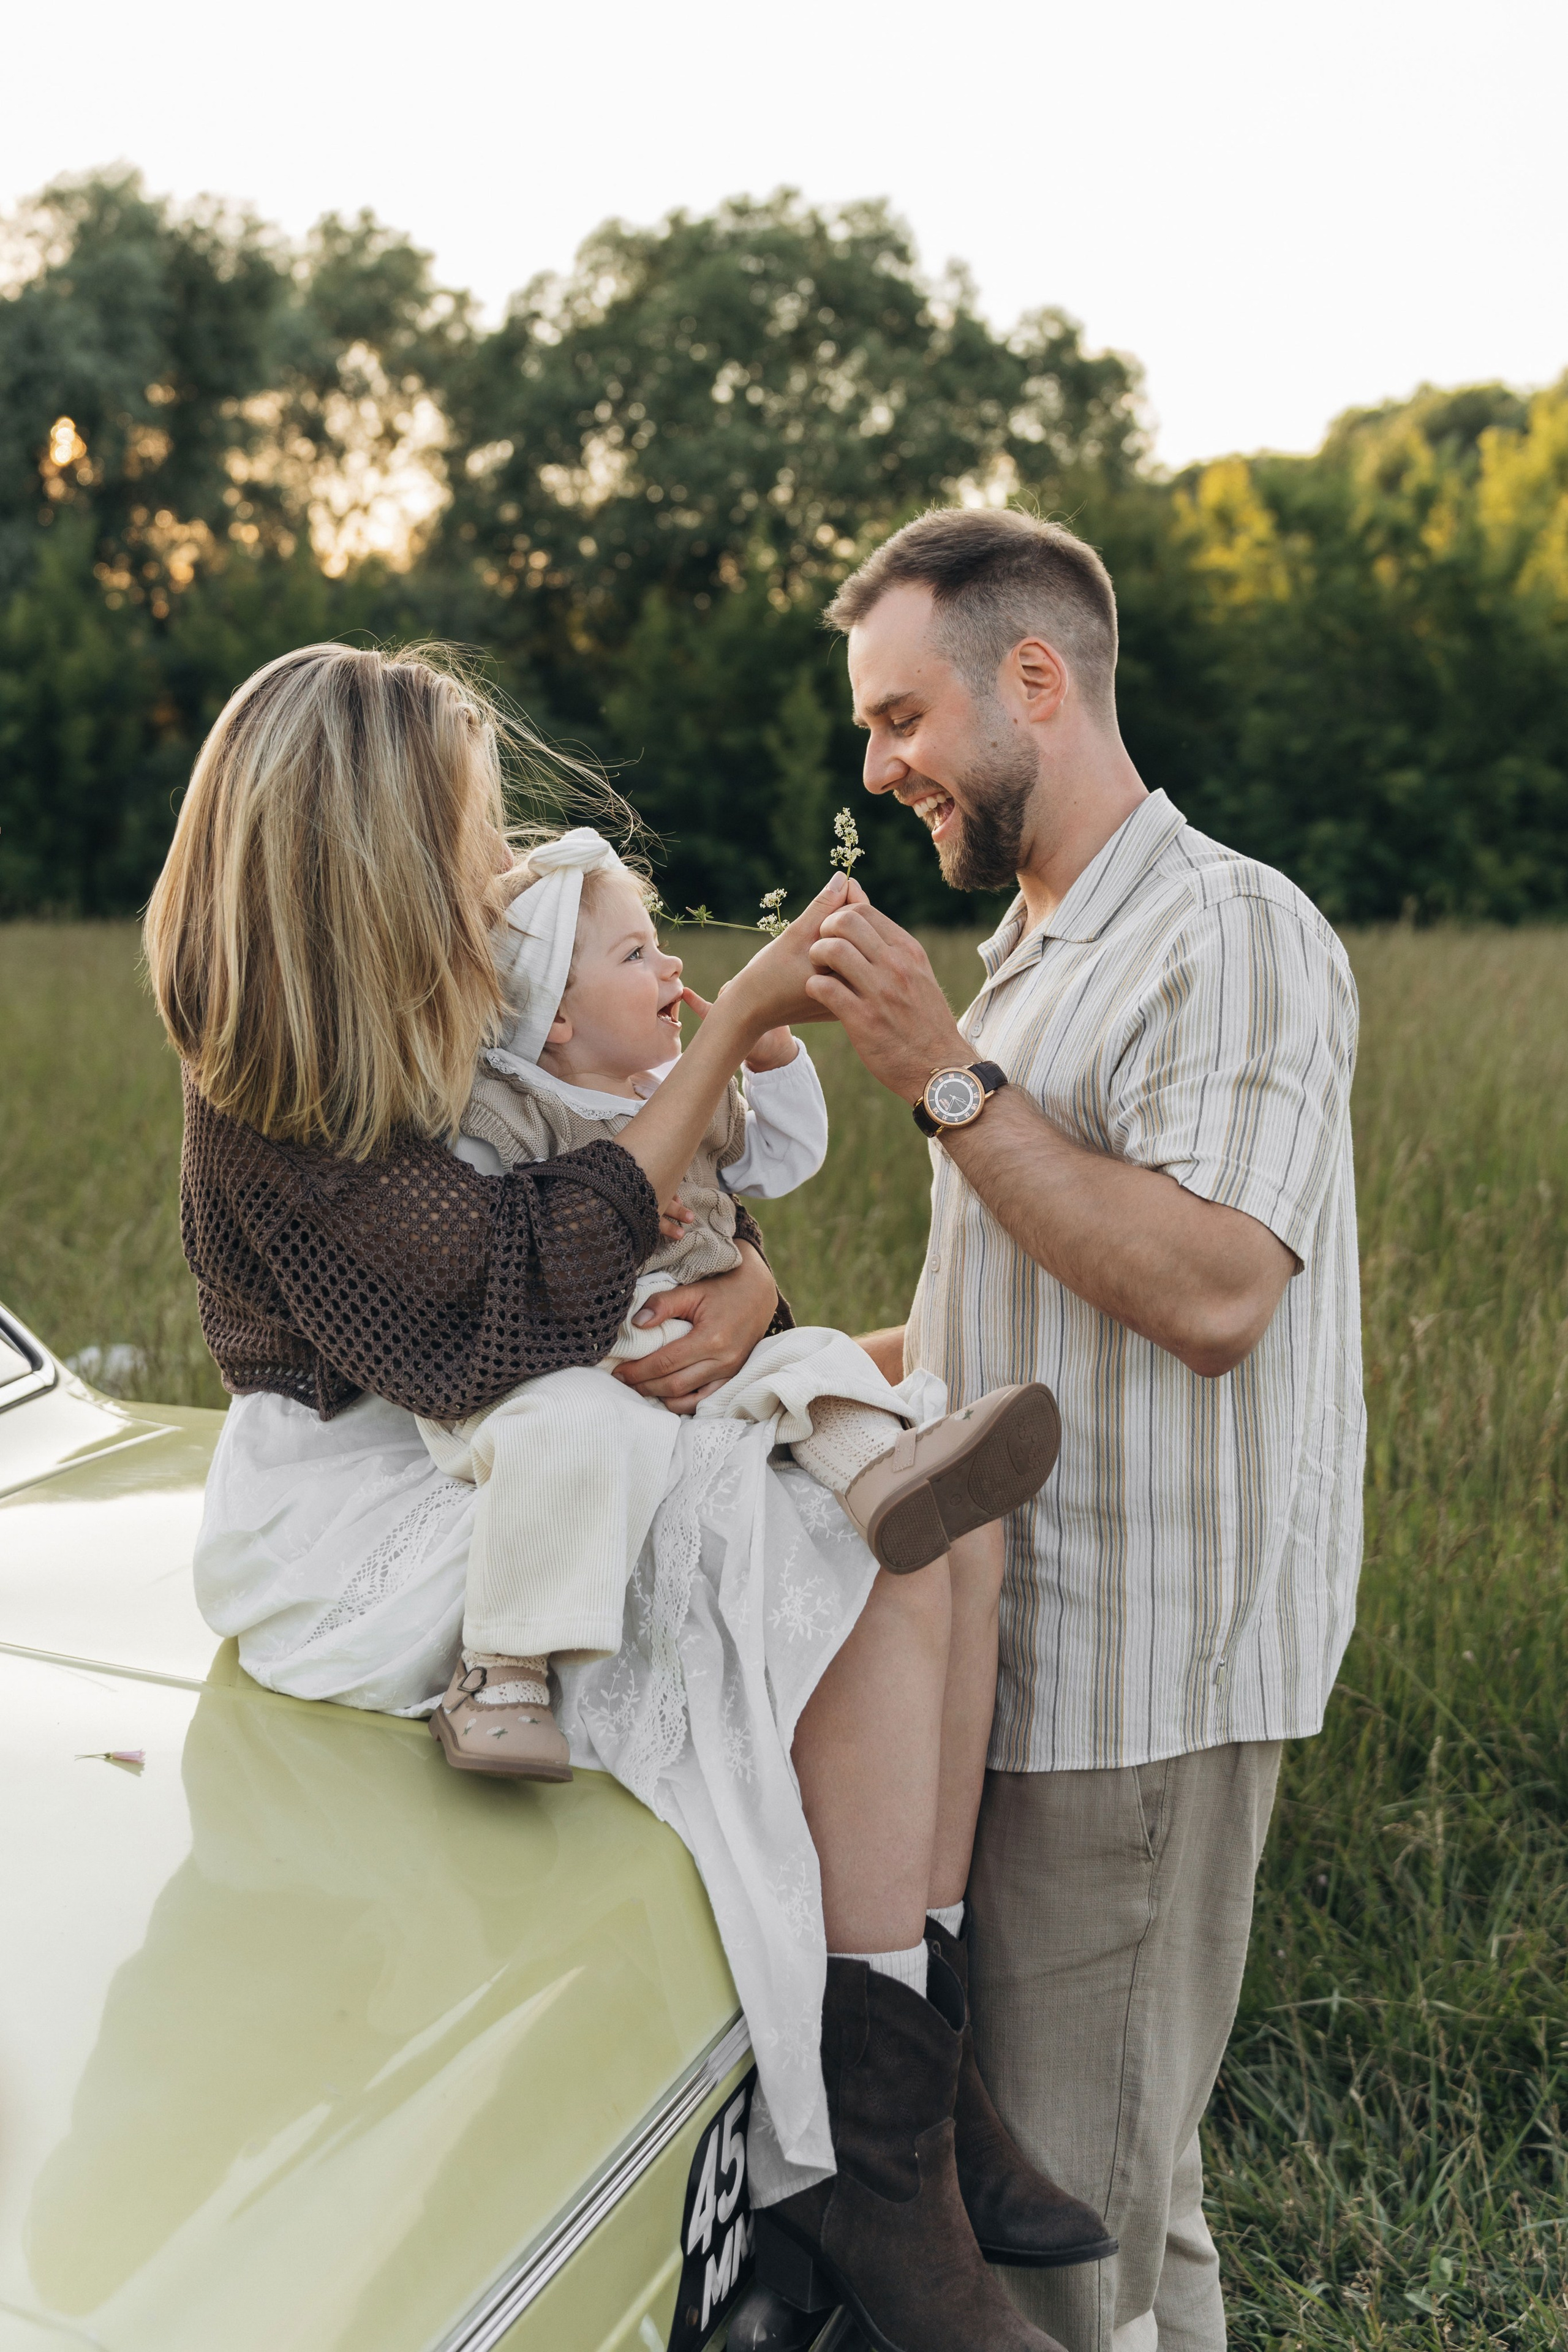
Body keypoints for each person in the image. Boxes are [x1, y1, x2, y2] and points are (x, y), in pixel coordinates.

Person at [145, 639, 1113, 2352]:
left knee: (940, 1527)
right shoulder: (268, 1103)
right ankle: (869, 2166)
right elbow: (502, 1303)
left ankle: (922, 2076)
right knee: (841, 1544)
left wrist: (756, 1301)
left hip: (522, 1425)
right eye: (463, 825)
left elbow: (629, 1239)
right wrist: (731, 1023)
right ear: (364, 866)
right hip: (376, 1523)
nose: (496, 855)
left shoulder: (433, 1007)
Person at [805, 507, 1365, 2352]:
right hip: (1017, 1657)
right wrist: (784, 1373)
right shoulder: (1040, 951)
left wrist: (939, 1081)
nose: (881, 772)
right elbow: (1020, 1303)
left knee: (1060, 2259)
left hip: (1142, 1683)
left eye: (900, 721)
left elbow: (1211, 1294)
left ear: (1032, 680)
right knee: (1125, 2202)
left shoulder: (1233, 934)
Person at [419, 821, 1060, 1782]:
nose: (673, 964)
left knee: (814, 1361)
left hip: (705, 1345)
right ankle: (503, 1673)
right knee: (561, 1438)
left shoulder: (681, 1083)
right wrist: (604, 1193)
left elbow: (786, 1159)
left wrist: (767, 1055)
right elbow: (480, 1237)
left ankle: (884, 1474)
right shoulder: (506, 1108)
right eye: (637, 953)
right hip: (575, 1359)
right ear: (554, 1015)